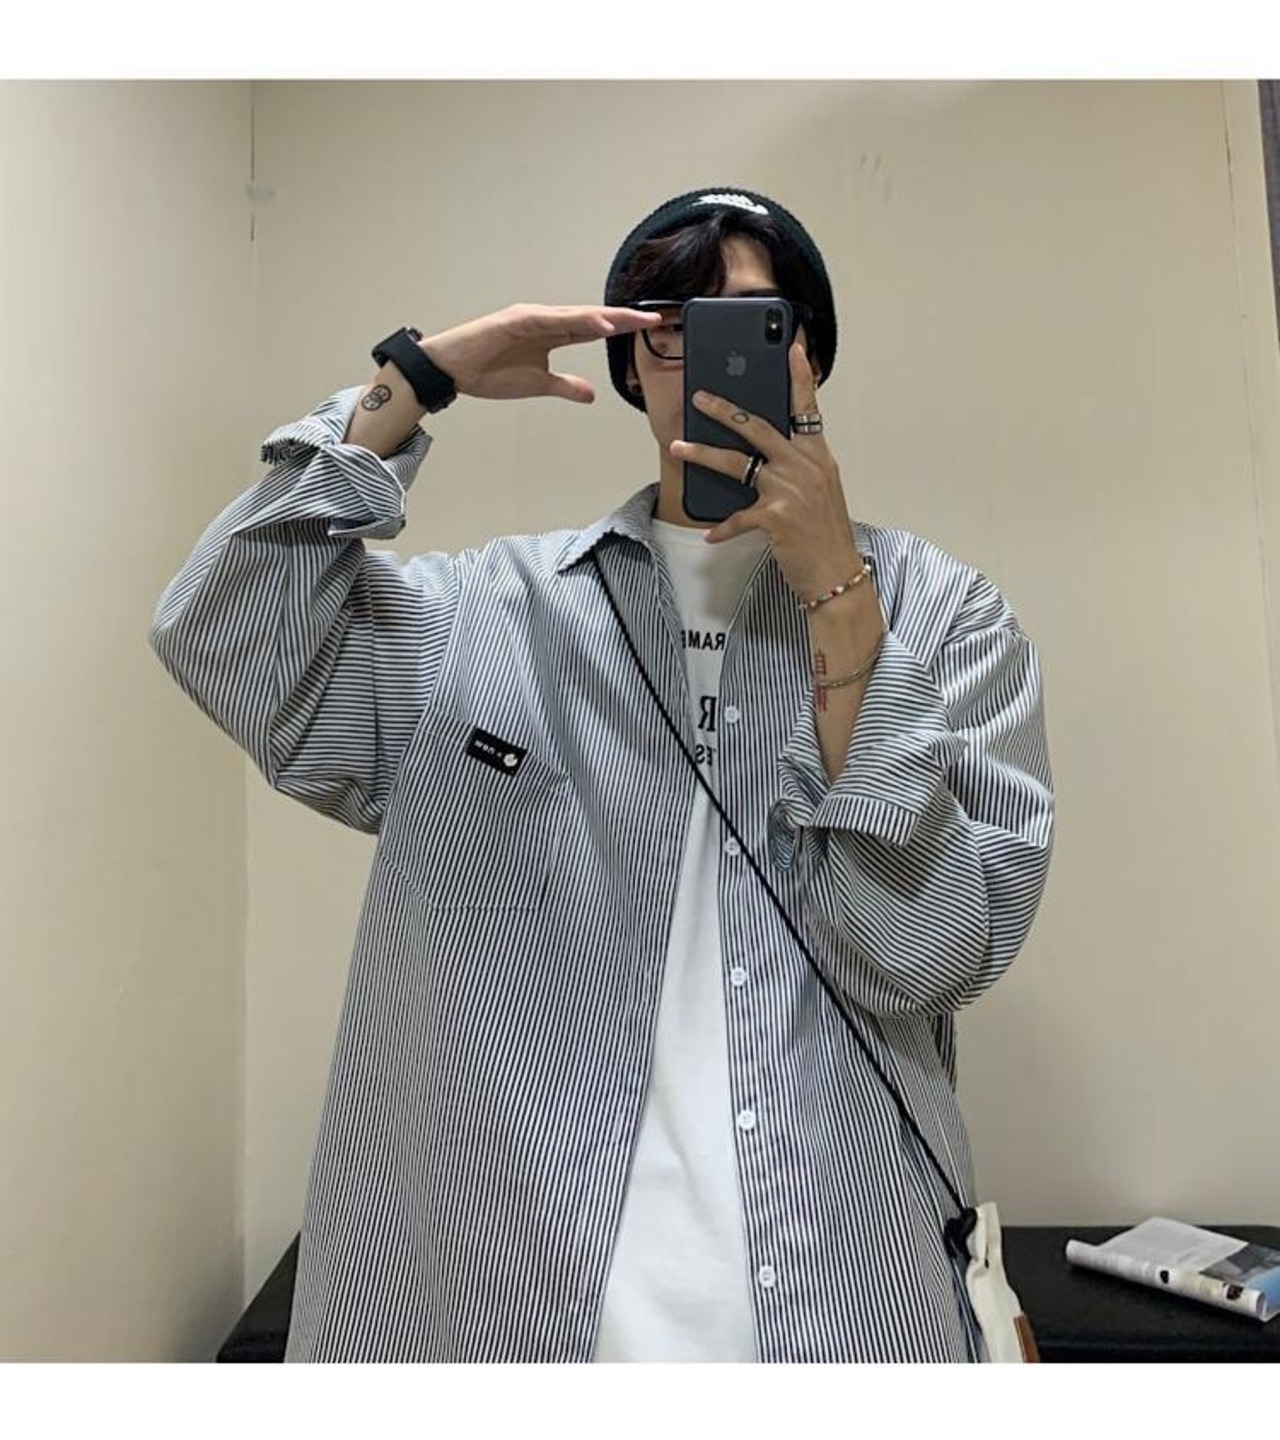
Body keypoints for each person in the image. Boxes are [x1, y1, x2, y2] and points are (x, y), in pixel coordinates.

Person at [149, 186, 1054, 1363]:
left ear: (811, 358)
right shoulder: (486, 612)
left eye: (757, 321)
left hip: (835, 1299)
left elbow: (936, 953)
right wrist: (412, 380)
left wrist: (839, 597)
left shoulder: (947, 622)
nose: (712, 357)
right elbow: (221, 629)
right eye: (673, 325)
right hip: (493, 1301)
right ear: (632, 362)